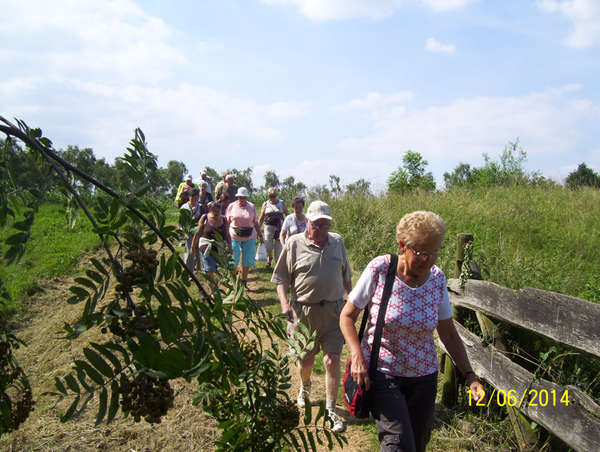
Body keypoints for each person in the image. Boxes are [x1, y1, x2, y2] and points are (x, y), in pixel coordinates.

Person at [339, 211, 485, 452]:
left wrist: (470, 376)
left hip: (424, 379)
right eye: (420, 253)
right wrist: (357, 356)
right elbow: (347, 316)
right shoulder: (381, 269)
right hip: (384, 374)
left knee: (417, 445)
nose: (428, 260)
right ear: (402, 245)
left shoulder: (437, 279)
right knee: (398, 445)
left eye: (434, 253)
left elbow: (448, 334)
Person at [271, 200, 352, 433]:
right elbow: (281, 280)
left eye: (325, 225)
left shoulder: (337, 242)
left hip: (334, 311)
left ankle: (331, 410)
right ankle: (305, 386)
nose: (321, 229)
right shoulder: (294, 244)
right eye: (317, 225)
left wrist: (351, 301)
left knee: (332, 360)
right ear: (307, 222)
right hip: (303, 312)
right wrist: (285, 303)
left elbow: (346, 275)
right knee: (305, 361)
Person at [225, 187, 263, 289]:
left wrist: (260, 235)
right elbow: (226, 222)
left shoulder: (251, 206)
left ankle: (244, 282)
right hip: (234, 237)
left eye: (244, 197)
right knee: (233, 260)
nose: (242, 199)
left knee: (247, 260)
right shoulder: (231, 206)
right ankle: (234, 281)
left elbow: (255, 222)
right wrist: (225, 236)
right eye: (240, 197)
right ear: (237, 197)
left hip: (250, 237)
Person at [191, 201, 232, 286]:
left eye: (218, 211)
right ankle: (213, 293)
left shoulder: (224, 219)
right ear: (209, 210)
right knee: (210, 271)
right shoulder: (204, 218)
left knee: (219, 272)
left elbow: (227, 235)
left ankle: (216, 289)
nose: (216, 213)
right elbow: (198, 233)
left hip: (220, 249)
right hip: (207, 248)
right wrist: (193, 246)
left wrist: (230, 247)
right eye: (214, 211)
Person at [258, 187, 289, 267]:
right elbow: (261, 217)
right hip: (269, 226)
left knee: (278, 247)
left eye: (273, 196)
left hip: (279, 227)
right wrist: (257, 230)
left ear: (276, 195)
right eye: (270, 196)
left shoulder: (281, 203)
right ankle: (269, 256)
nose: (272, 198)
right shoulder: (265, 204)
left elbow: (288, 215)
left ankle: (278, 264)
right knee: (268, 246)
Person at [179, 189, 204, 272]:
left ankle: (197, 267)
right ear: (189, 197)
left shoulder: (200, 207)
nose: (194, 200)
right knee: (190, 249)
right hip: (188, 231)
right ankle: (189, 271)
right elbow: (180, 221)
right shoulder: (184, 207)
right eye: (193, 198)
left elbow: (202, 220)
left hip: (197, 231)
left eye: (196, 198)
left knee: (198, 249)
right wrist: (181, 229)